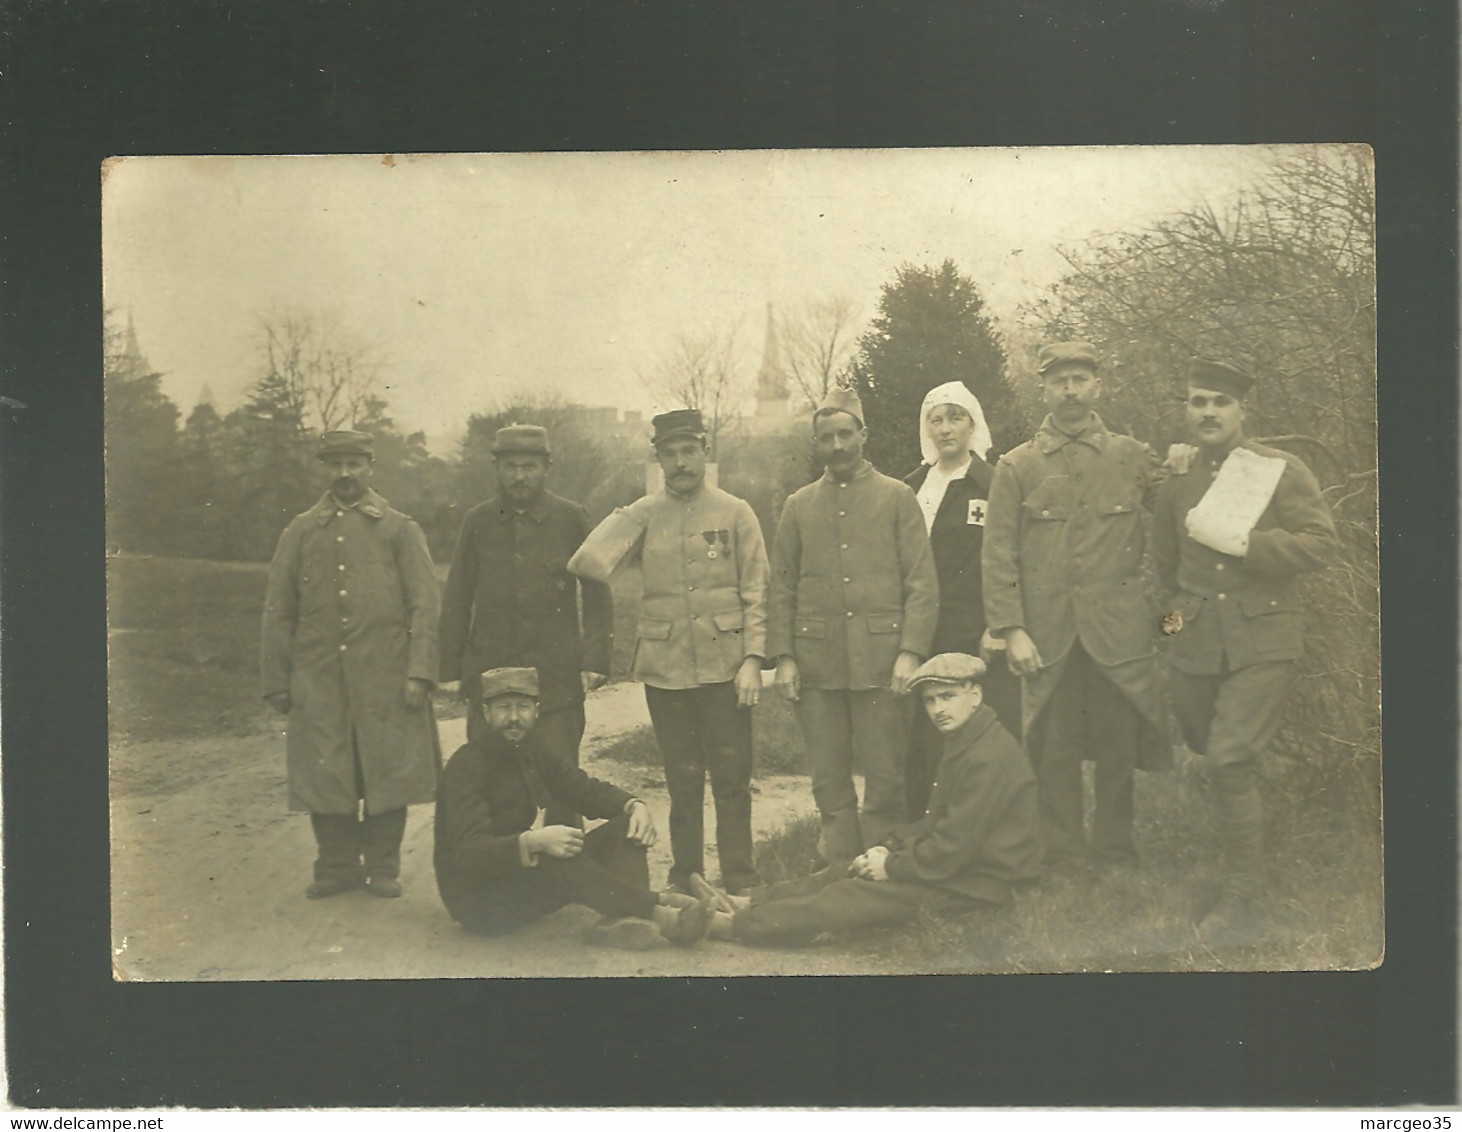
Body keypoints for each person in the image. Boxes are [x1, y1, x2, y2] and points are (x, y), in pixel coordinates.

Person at [1153, 358, 1338, 941]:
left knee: (1229, 759)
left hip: (1264, 636)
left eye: (1220, 402)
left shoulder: (1278, 470)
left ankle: (1242, 896)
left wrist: (1243, 542)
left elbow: (1318, 544)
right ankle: (1242, 851)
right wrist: (1171, 636)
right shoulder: (1176, 479)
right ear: (1186, 410)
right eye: (1198, 401)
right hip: (1197, 643)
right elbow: (1166, 573)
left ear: (1242, 411)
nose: (1208, 412)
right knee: (1208, 749)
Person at [982, 342, 1174, 872]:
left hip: (1119, 635)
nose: (1070, 390)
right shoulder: (1016, 466)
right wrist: (1011, 629)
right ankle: (1062, 855)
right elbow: (999, 555)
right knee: (1055, 749)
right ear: (1043, 388)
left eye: (1080, 379)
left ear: (1098, 387)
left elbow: (1177, 516)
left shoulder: (1132, 456)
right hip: (1049, 637)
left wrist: (1190, 467)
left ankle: (1116, 853)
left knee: (1118, 747)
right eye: (1059, 380)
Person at [705, 653, 1041, 946]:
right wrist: (891, 847)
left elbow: (950, 849)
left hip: (982, 885)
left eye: (947, 697)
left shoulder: (988, 756)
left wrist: (892, 865)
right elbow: (937, 822)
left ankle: (733, 924)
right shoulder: (967, 739)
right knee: (847, 869)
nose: (938, 709)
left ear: (975, 695)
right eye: (930, 700)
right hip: (961, 869)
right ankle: (749, 902)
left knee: (853, 894)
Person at [571, 408, 768, 895]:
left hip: (726, 666)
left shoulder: (735, 511)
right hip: (665, 667)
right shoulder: (643, 513)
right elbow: (586, 562)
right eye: (669, 455)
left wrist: (753, 661)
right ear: (657, 460)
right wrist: (627, 515)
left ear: (705, 453)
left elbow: (758, 593)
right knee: (682, 777)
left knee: (731, 776)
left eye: (688, 452)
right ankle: (686, 876)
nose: (680, 463)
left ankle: (740, 875)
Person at [261, 429, 441, 899]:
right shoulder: (299, 532)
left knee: (387, 768)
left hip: (387, 676)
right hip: (318, 678)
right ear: (323, 469)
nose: (344, 474)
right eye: (335, 464)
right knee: (328, 771)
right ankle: (336, 866)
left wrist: (420, 671)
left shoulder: (400, 529)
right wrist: (277, 681)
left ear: (370, 466)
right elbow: (278, 610)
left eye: (354, 464)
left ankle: (383, 866)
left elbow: (424, 605)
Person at [766, 386, 939, 866]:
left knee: (885, 772)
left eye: (846, 434)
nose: (838, 445)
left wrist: (910, 652)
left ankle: (883, 860)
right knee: (828, 773)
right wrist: (783, 657)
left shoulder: (897, 497)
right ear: (816, 444)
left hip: (882, 662)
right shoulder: (799, 505)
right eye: (827, 437)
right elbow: (780, 587)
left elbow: (922, 583)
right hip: (817, 662)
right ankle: (840, 863)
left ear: (864, 435)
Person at [433, 667, 710, 948]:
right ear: (485, 713)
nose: (514, 718)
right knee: (559, 856)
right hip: (480, 903)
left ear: (537, 711)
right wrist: (533, 841)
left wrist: (632, 804)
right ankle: (665, 915)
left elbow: (579, 787)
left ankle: (622, 922)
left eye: (523, 707)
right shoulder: (467, 765)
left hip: (515, 878)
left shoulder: (530, 750)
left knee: (626, 826)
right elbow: (469, 851)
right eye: (504, 708)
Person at [438, 423, 612, 826]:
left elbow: (599, 594)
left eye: (530, 466)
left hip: (556, 680)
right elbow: (457, 598)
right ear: (496, 468)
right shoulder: (477, 522)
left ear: (546, 467)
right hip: (492, 676)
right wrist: (450, 669)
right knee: (492, 783)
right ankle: (501, 876)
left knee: (563, 783)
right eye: (511, 466)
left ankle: (568, 876)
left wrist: (595, 658)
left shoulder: (572, 518)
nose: (520, 476)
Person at [902, 381, 1023, 820]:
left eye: (956, 418)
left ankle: (985, 834)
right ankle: (925, 834)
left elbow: (1010, 557)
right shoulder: (911, 486)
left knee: (979, 731)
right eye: (936, 419)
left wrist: (999, 625)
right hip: (923, 631)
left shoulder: (993, 483)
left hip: (975, 633)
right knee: (926, 736)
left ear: (974, 424)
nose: (945, 428)